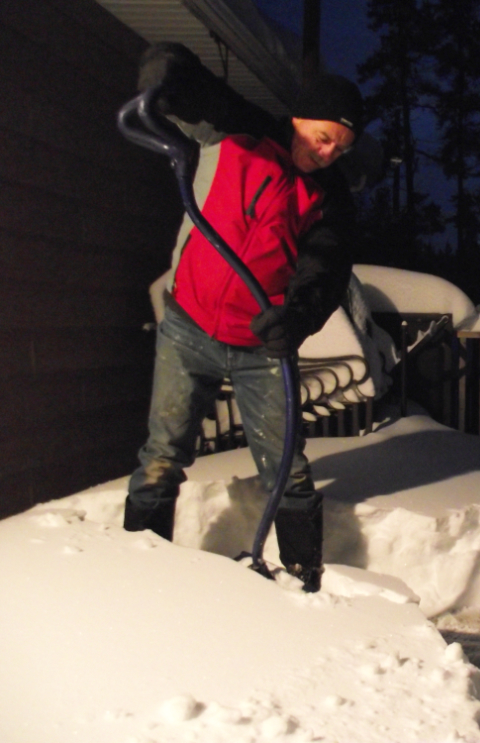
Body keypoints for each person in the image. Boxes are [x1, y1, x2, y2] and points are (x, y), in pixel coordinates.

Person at [123, 43, 372, 592]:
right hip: (187, 327)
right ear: (300, 118)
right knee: (162, 457)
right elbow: (202, 92)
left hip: (261, 346)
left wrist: (296, 320)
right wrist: (169, 70)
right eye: (324, 137)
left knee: (288, 469)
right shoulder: (243, 132)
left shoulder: (329, 199)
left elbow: (324, 267)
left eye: (342, 147)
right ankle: (135, 577)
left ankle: (305, 580)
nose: (330, 153)